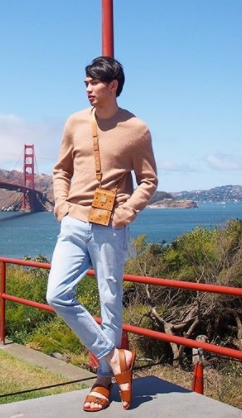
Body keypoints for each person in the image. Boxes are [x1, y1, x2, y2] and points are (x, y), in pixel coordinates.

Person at [46, 56, 158, 412]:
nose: (88, 88)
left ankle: (103, 379)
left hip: (110, 225)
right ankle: (114, 356)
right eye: (86, 83)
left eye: (94, 83)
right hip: (74, 222)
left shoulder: (136, 129)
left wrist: (127, 211)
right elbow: (61, 170)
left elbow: (149, 180)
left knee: (110, 303)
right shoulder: (75, 122)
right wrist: (62, 206)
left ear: (113, 86)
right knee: (57, 294)